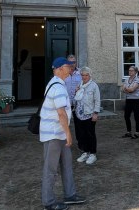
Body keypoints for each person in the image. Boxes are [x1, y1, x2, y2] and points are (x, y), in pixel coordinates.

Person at [40, 57, 87, 210]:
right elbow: (61, 113)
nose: (71, 68)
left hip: (59, 132)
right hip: (54, 133)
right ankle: (49, 202)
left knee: (67, 164)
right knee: (50, 169)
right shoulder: (58, 87)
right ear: (60, 68)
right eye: (68, 66)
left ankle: (70, 195)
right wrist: (68, 134)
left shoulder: (58, 84)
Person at [73, 67, 101, 165]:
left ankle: (93, 154)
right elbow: (76, 98)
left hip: (89, 114)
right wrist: (76, 91)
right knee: (82, 135)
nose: (84, 77)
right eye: (83, 75)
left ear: (90, 75)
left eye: (86, 75)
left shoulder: (94, 86)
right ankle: (85, 152)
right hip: (79, 114)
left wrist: (96, 113)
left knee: (90, 134)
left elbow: (97, 100)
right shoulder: (79, 85)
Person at [121, 66, 139, 139]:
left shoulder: (137, 80)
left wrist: (127, 89)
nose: (130, 72)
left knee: (136, 116)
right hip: (128, 99)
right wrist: (128, 89)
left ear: (135, 72)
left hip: (136, 100)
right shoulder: (127, 79)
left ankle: (137, 132)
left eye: (132, 70)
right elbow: (122, 89)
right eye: (129, 70)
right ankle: (128, 132)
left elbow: (132, 89)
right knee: (126, 116)